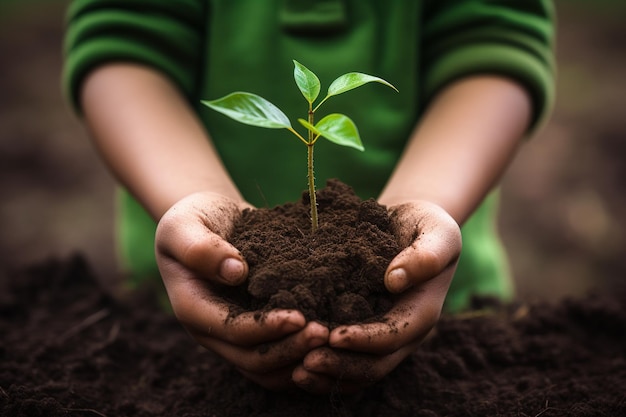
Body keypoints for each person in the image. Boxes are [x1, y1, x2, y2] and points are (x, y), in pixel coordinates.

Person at [63, 0, 555, 394]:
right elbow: (122, 31)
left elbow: (496, 36)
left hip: (450, 318)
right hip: (172, 320)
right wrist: (195, 197)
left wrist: (424, 204)